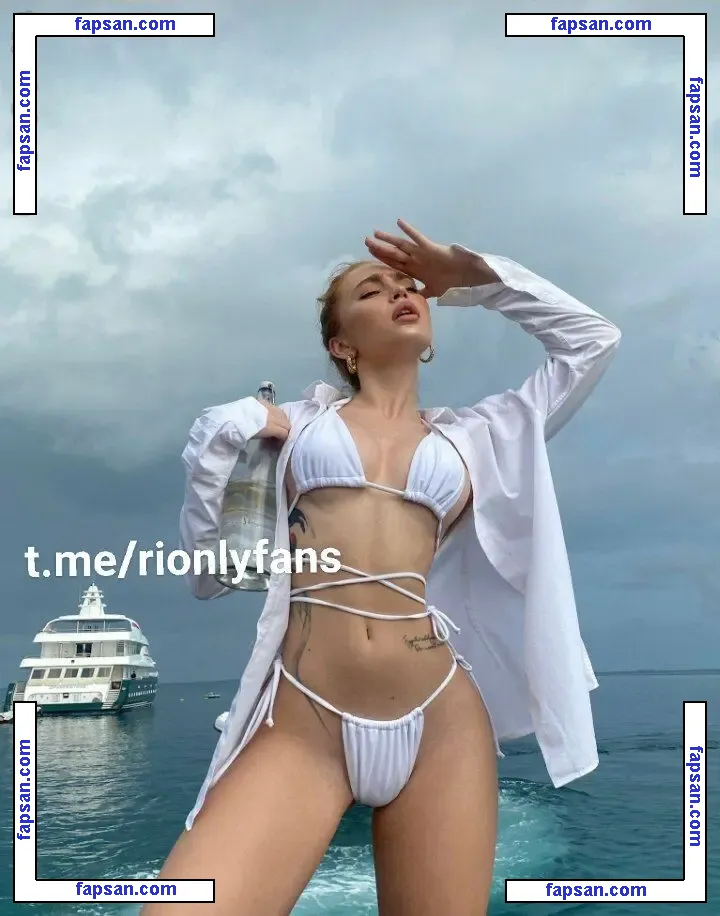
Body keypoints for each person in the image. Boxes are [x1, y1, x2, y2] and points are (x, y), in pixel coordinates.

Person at [142, 221, 621, 915]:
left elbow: (592, 340)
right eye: (372, 291)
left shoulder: (483, 435)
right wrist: (236, 428)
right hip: (305, 720)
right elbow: (211, 568)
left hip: (441, 720)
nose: (400, 293)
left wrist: (473, 277)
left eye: (407, 286)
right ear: (342, 346)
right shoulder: (294, 426)